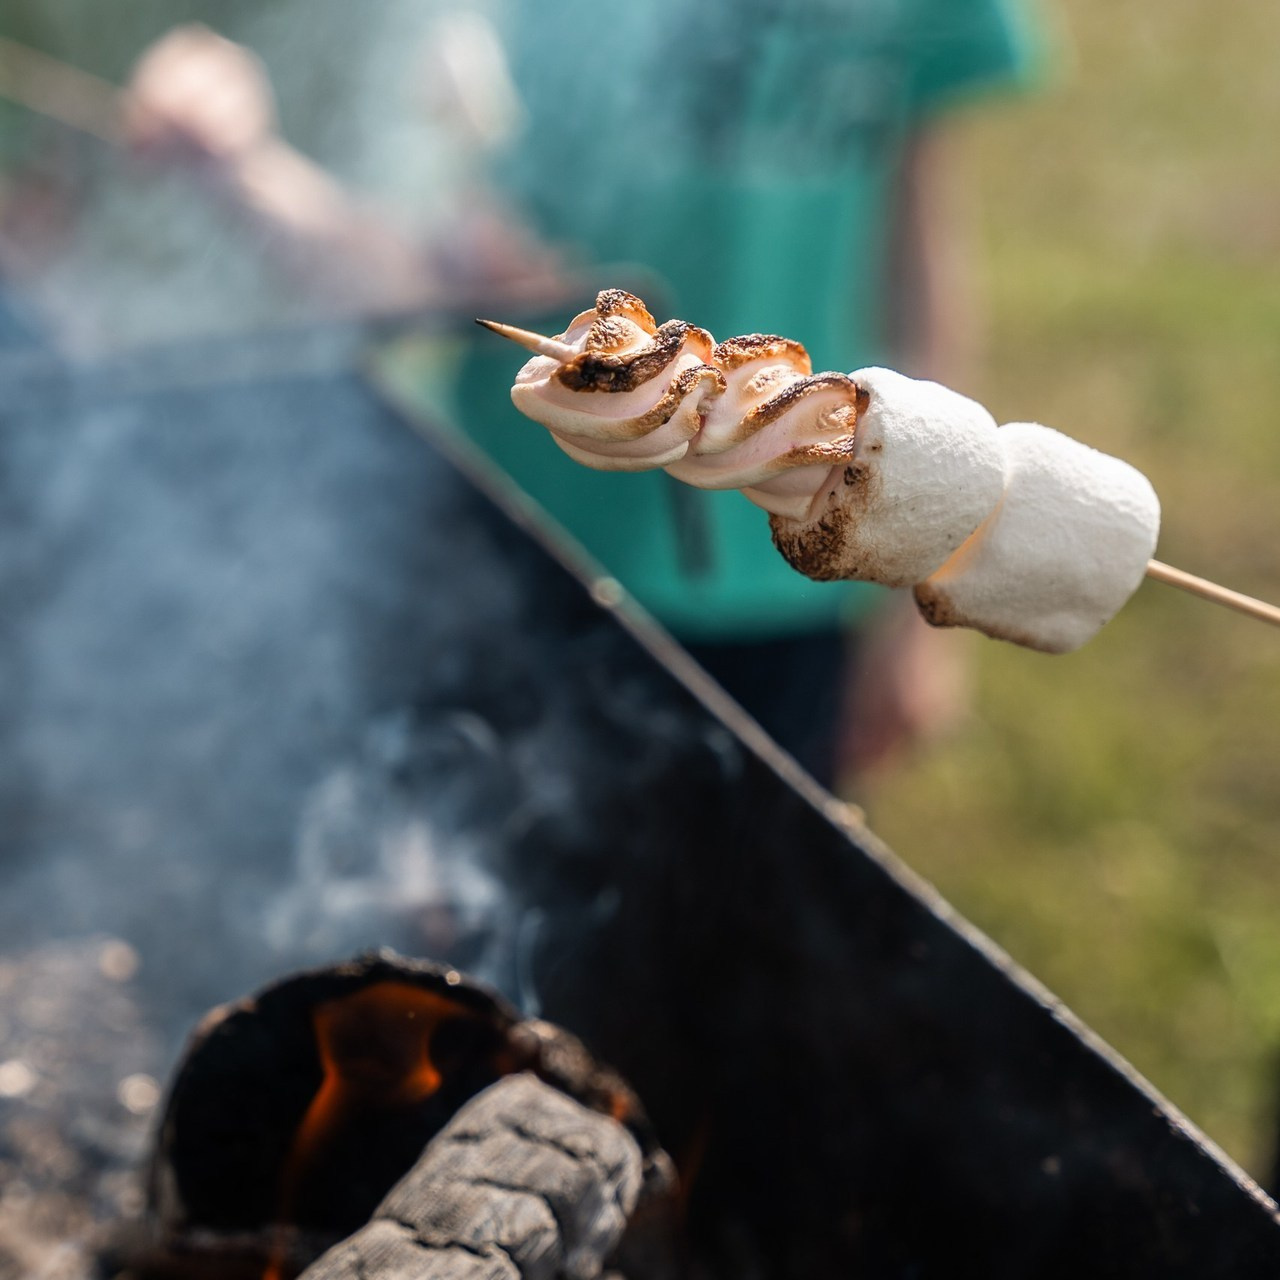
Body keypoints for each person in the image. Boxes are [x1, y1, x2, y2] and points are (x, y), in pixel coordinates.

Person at [120, 2, 1045, 787]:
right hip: (508, 549)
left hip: (791, 573)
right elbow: (406, 270)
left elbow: (920, 251)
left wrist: (930, 589)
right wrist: (244, 167)